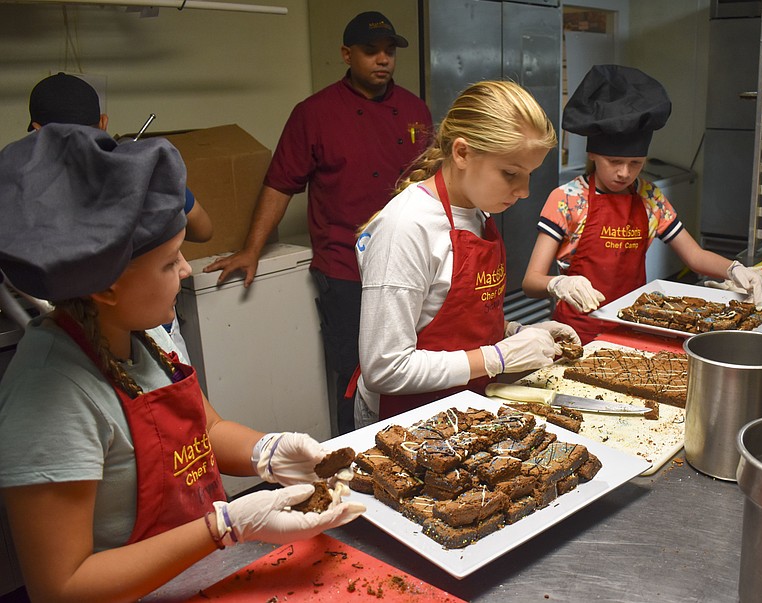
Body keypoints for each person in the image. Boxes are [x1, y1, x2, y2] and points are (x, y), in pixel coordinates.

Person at [0, 124, 365, 602]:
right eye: (171, 262)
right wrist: (224, 527)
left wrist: (267, 452)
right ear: (106, 288)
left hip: (200, 577)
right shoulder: (52, 395)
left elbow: (203, 431)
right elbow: (62, 586)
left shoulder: (144, 330)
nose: (187, 270)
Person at [203, 12, 432, 436]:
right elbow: (279, 183)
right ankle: (357, 458)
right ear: (346, 54)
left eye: (389, 51)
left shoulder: (415, 109)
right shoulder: (315, 113)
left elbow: (433, 180)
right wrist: (252, 250)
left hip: (411, 267)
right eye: (370, 51)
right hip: (346, 270)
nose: (382, 60)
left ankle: (416, 450)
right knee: (355, 373)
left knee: (414, 363)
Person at [351, 80, 580, 428]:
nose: (524, 191)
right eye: (510, 174)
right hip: (405, 419)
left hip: (464, 406)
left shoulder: (476, 213)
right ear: (461, 153)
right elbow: (385, 369)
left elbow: (453, 320)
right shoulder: (406, 228)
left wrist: (517, 334)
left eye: (529, 175)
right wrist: (497, 358)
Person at [522, 65, 762, 344]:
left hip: (633, 327)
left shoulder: (650, 198)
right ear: (593, 153)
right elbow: (531, 281)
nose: (625, 173)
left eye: (635, 163)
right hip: (577, 333)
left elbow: (694, 257)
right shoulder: (567, 199)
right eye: (614, 162)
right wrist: (558, 284)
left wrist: (735, 269)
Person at [21, 71, 214, 360]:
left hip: (81, 340)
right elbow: (204, 229)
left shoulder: (33, 196)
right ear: (103, 123)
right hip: (153, 330)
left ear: (38, 131)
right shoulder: (142, 174)